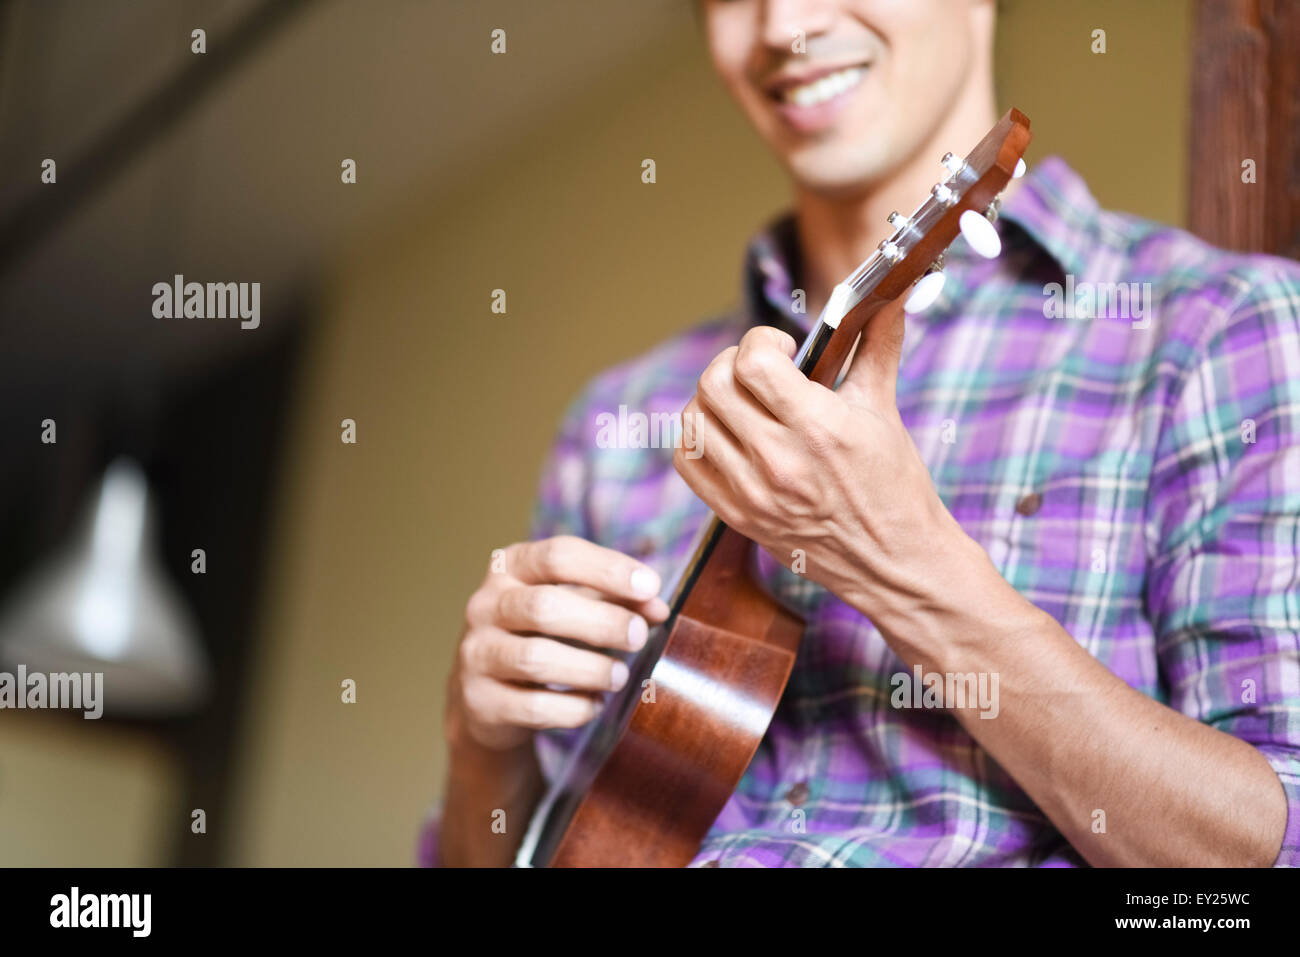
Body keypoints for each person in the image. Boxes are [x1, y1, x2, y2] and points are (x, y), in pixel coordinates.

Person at [428, 0, 1300, 867]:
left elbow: (1268, 851)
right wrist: (481, 744)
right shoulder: (614, 427)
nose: (781, 25)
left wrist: (904, 562)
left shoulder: (1219, 331)